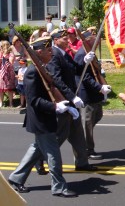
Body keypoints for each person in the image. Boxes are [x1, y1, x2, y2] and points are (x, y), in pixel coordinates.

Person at [8, 37, 77, 198]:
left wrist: (66, 103)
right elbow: (33, 100)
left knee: (36, 150)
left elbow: (53, 88)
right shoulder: (32, 72)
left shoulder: (43, 69)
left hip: (45, 117)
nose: (52, 51)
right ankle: (59, 186)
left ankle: (16, 178)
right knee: (53, 154)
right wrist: (55, 107)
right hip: (40, 119)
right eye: (48, 49)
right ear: (39, 52)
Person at [46, 29, 96, 170]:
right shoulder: (53, 55)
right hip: (64, 100)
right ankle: (39, 160)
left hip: (71, 100)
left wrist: (84, 62)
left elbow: (75, 70)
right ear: (55, 40)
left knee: (78, 134)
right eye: (63, 38)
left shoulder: (64, 54)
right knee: (59, 136)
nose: (67, 40)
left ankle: (82, 163)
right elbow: (56, 80)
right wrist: (72, 97)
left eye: (67, 37)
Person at [74, 31, 112, 160]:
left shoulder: (90, 54)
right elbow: (85, 77)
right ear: (89, 42)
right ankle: (87, 150)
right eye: (95, 42)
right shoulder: (81, 55)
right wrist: (99, 87)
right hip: (87, 94)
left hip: (95, 95)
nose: (97, 45)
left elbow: (96, 70)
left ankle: (84, 141)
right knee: (87, 124)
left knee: (97, 116)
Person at [0, 40, 15, 107]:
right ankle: (1, 102)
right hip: (1, 72)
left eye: (7, 45)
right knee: (1, 89)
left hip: (9, 73)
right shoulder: (0, 53)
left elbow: (11, 62)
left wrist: (5, 57)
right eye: (2, 46)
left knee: (10, 89)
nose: (1, 47)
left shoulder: (11, 54)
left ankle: (11, 102)